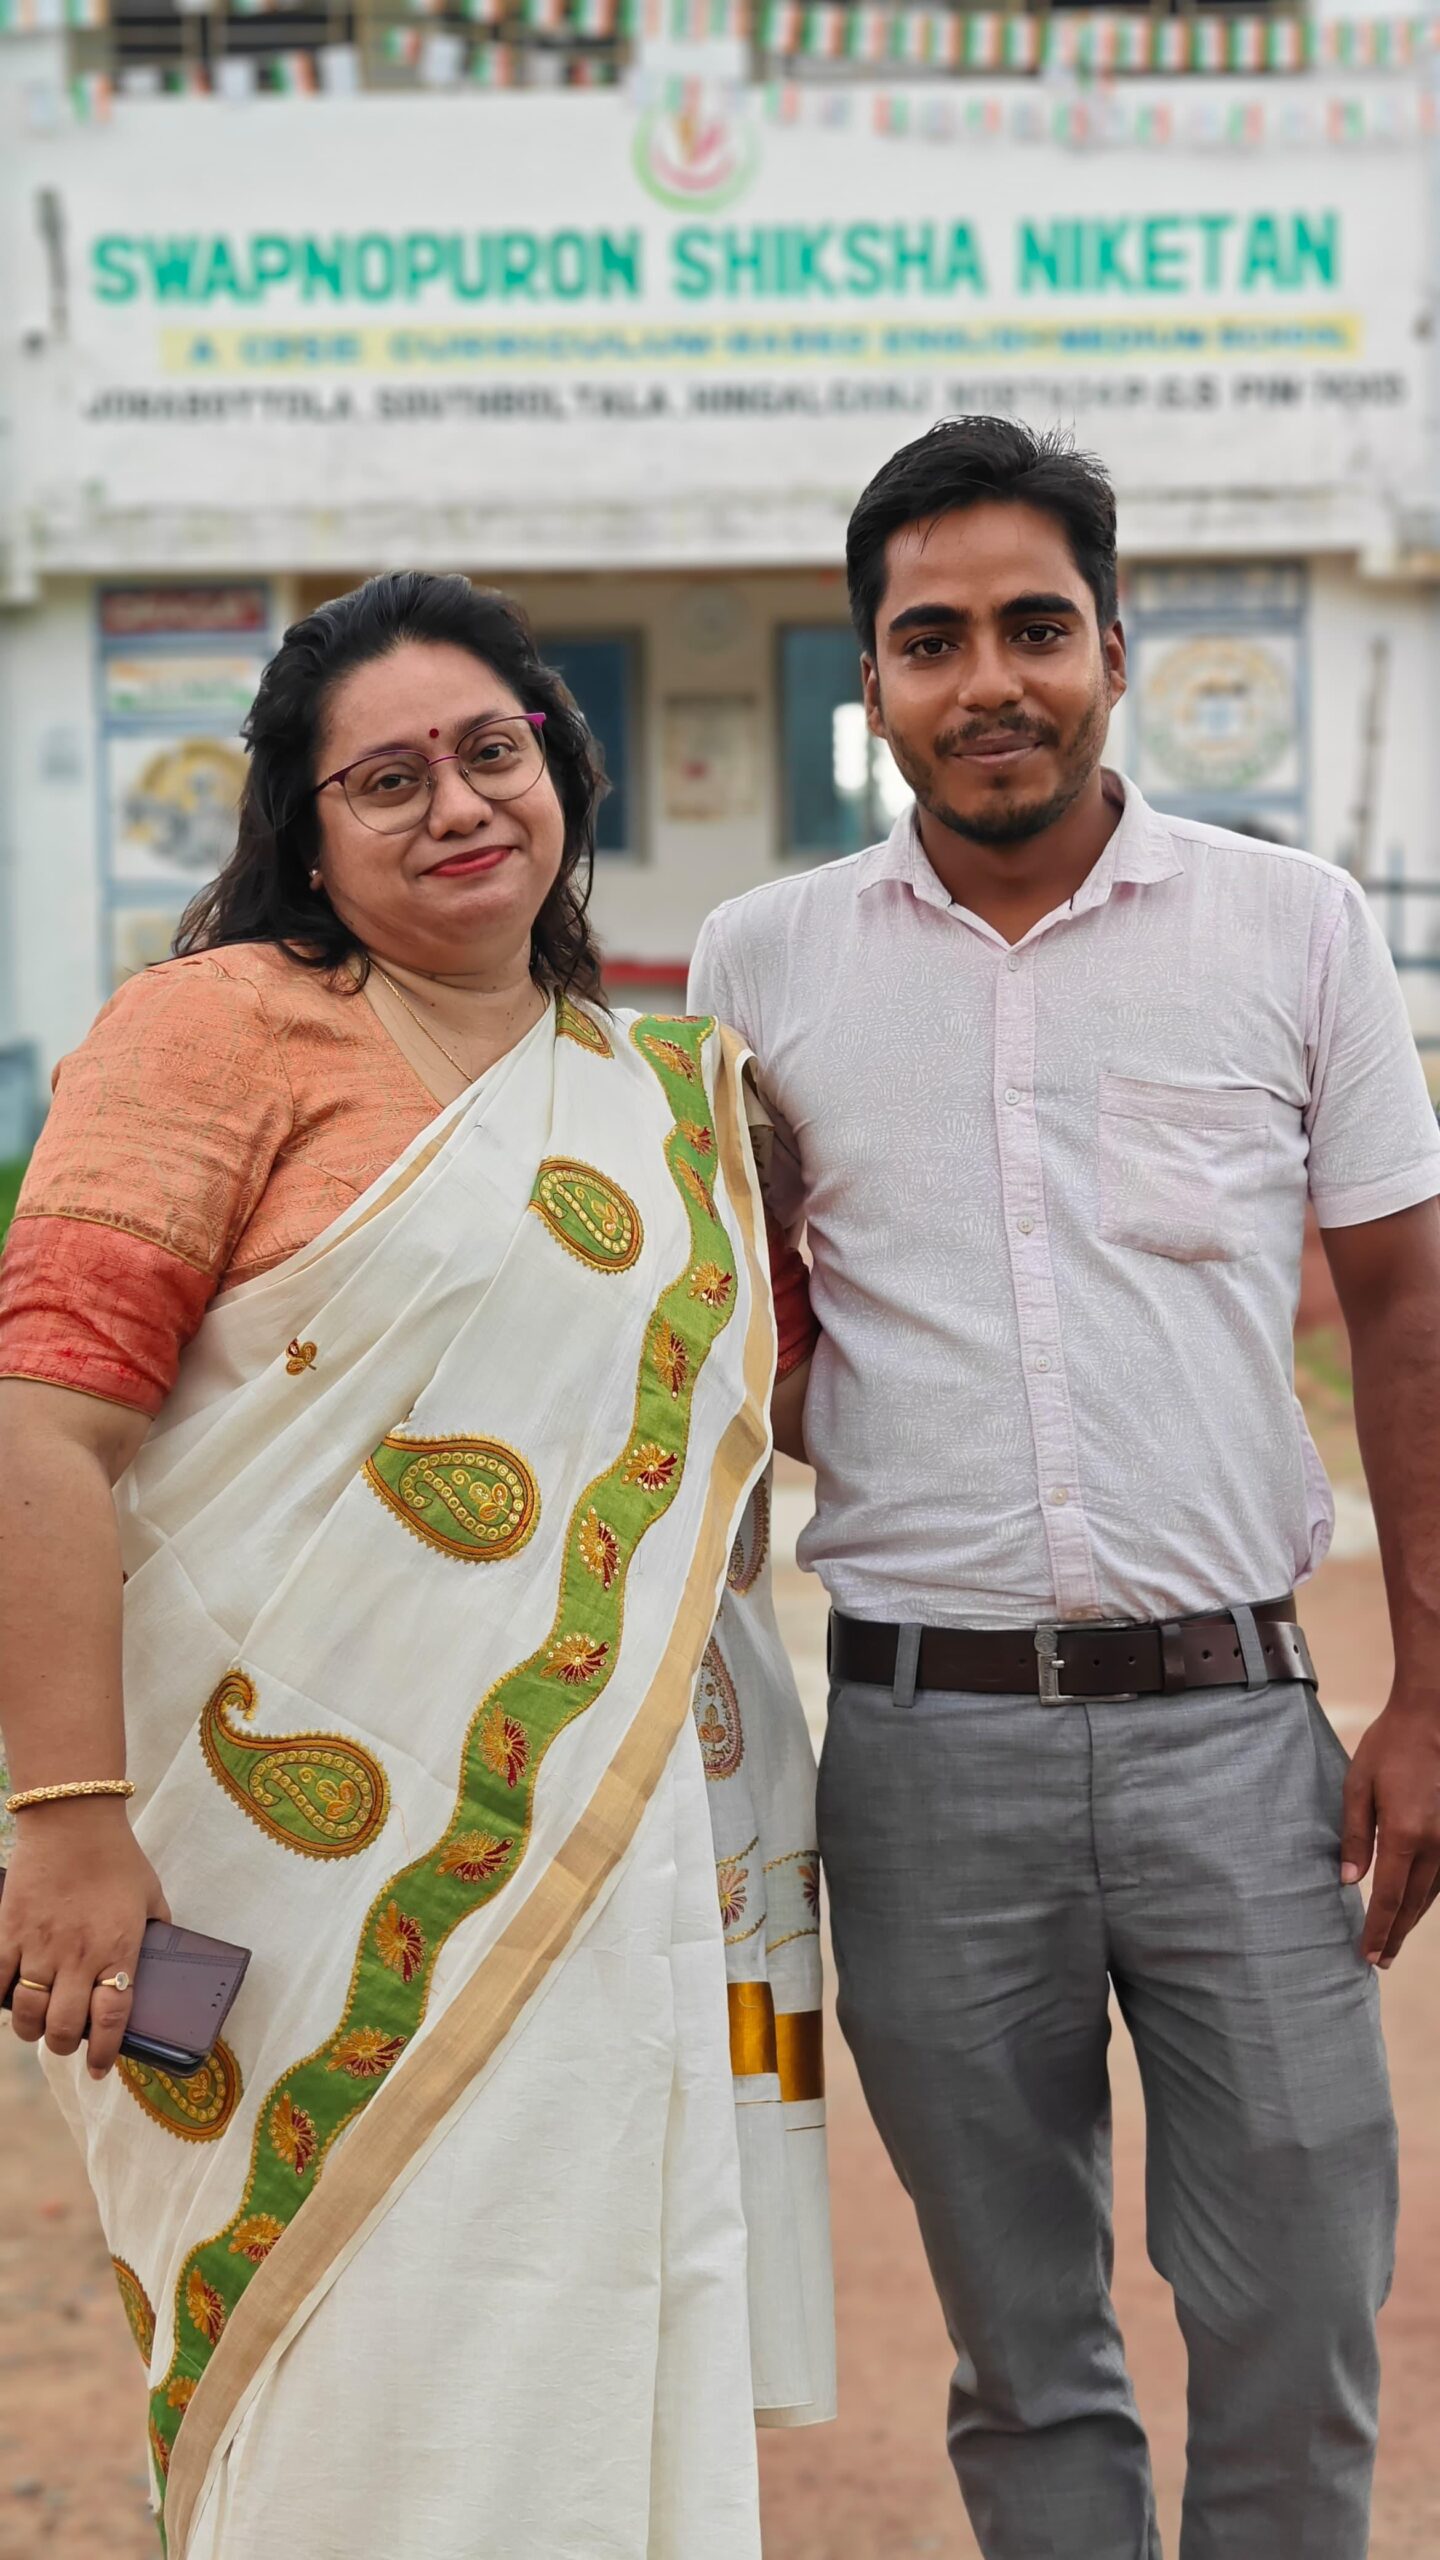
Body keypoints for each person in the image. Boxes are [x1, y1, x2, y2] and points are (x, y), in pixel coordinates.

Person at [0, 571, 833, 2560]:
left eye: (491, 751)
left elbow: (749, 1442)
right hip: (266, 1878)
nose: (456, 803)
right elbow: (42, 1427)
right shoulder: (215, 1028)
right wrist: (69, 1816)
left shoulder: (663, 1102)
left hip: (598, 1861)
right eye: (386, 778)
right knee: (354, 2357)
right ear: (305, 832)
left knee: (588, 2311)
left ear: (563, 768)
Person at [690, 416, 1440, 2560]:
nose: (988, 680)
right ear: (870, 679)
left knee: (1296, 2307)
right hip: (923, 1753)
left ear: (1117, 645)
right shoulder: (763, 964)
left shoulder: (1291, 925)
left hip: (1240, 1736)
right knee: (1025, 2351)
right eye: (931, 640)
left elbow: (1405, 1305)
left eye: (1036, 625)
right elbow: (727, 1342)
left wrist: (1429, 1695)